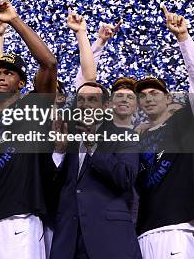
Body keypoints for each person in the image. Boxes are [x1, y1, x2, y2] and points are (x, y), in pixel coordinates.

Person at [0, 0, 57, 259]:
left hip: (19, 219)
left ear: (21, 83)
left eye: (9, 73)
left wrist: (14, 20)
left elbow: (49, 64)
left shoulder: (33, 107)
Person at [135, 5, 194, 259]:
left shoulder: (184, 121)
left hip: (177, 228)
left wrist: (183, 38)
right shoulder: (135, 137)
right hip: (143, 231)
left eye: (154, 93)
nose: (148, 98)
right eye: (142, 95)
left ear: (169, 98)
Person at [49, 80, 142, 259]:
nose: (85, 105)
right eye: (81, 100)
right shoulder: (67, 138)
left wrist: (93, 146)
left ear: (106, 105)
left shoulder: (124, 135)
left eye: (92, 99)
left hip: (109, 239)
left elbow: (125, 178)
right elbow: (52, 189)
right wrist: (59, 153)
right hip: (68, 240)